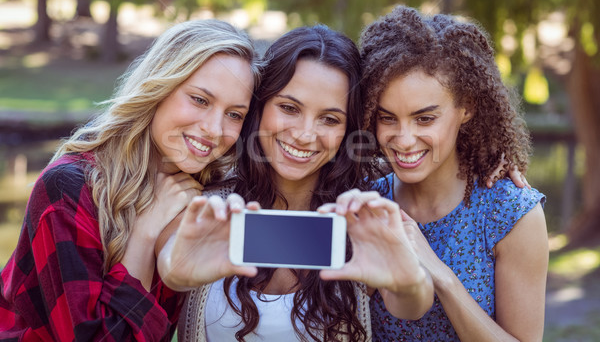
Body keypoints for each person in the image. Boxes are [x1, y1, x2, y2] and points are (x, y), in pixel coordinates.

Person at [157, 25, 434, 342]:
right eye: (289, 108)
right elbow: (171, 264)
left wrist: (408, 283)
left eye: (329, 119)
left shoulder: (360, 217)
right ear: (259, 108)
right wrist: (177, 271)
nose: (304, 135)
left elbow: (412, 305)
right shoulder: (209, 204)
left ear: (348, 130)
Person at [0, 19, 262, 341]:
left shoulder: (210, 197)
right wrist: (145, 232)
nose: (214, 128)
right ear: (159, 88)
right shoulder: (69, 188)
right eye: (200, 100)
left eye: (234, 114)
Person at [359, 5, 548, 341]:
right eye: (387, 118)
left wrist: (440, 276)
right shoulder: (365, 202)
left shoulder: (511, 213)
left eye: (425, 119)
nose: (403, 139)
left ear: (467, 108)